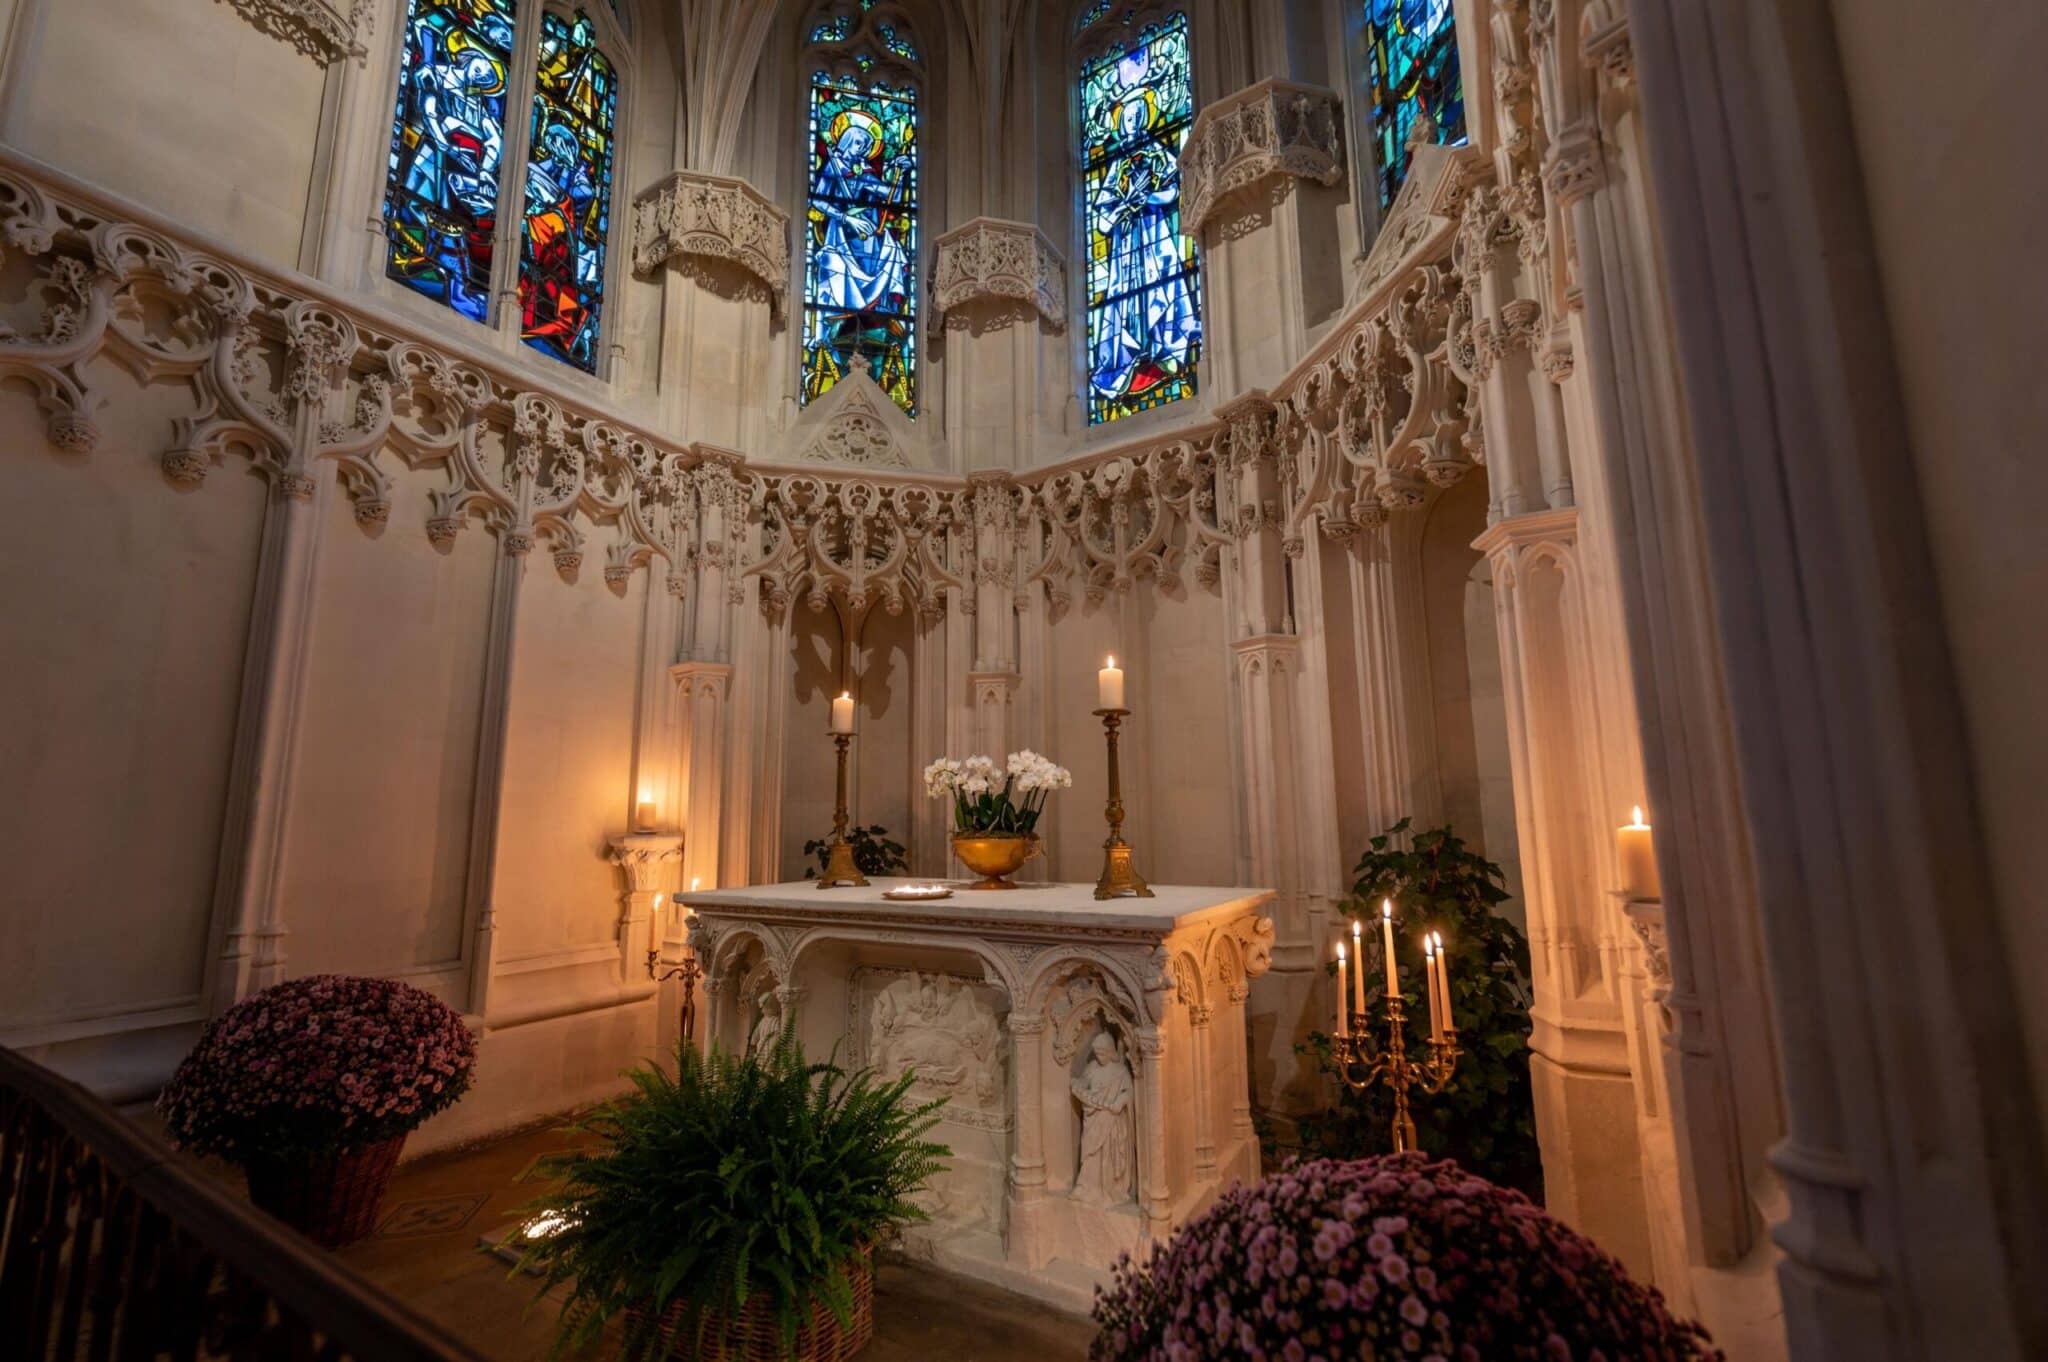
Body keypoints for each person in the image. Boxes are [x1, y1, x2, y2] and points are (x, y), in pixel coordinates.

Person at [1071, 1031, 1136, 1207]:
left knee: (1108, 1154)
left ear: (1110, 1052)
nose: (1099, 1057)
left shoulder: (1120, 1071)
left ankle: (1110, 1188)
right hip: (1093, 1119)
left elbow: (1128, 1093)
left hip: (1111, 1120)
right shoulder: (1092, 1067)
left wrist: (1119, 1102)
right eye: (1097, 1053)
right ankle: (1086, 1186)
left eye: (1102, 1053)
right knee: (1089, 1152)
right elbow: (1083, 1082)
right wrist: (1077, 1084)